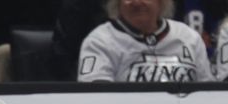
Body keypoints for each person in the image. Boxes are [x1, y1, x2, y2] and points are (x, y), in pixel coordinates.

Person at [78, 0, 214, 81]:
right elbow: (95, 98)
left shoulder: (188, 37)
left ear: (161, 2)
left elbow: (208, 94)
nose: (136, 2)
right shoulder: (100, 40)